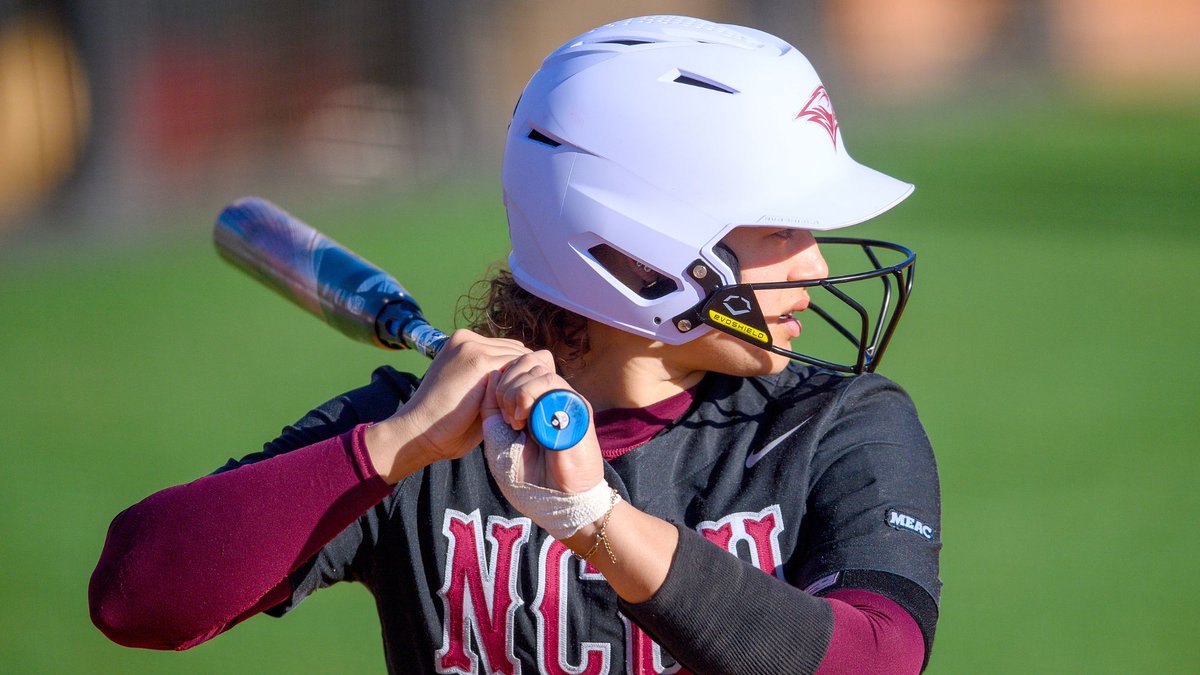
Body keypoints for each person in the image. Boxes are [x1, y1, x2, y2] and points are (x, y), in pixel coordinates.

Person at [90, 15, 940, 674]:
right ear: (646, 250)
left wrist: (596, 522)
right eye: (783, 228)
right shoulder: (423, 432)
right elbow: (136, 596)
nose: (818, 263)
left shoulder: (834, 426)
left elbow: (875, 656)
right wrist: (388, 448)